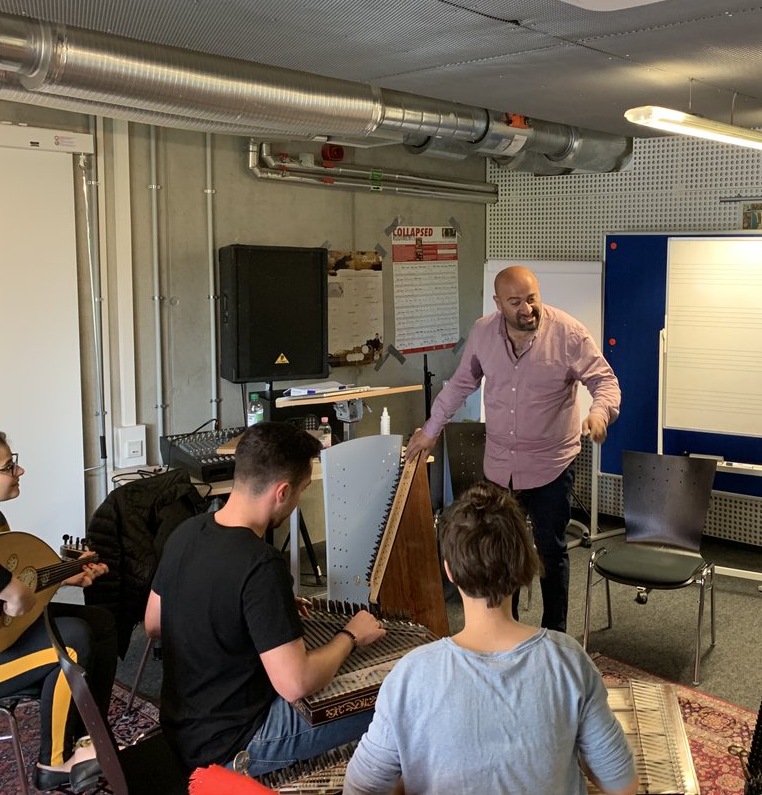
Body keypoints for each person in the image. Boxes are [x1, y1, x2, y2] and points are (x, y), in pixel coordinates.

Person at [342, 482, 637, 795]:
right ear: (526, 564)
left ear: (450, 571)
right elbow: (622, 785)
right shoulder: (569, 660)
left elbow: (360, 789)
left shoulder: (409, 676)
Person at [144, 421, 386, 775]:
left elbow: (153, 624)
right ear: (282, 491)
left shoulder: (186, 532)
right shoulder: (261, 565)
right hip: (236, 746)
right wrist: (350, 637)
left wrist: (259, 618)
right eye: (301, 490)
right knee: (392, 700)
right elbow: (295, 683)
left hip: (181, 731)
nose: (297, 499)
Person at [405, 265, 621, 633]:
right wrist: (430, 430)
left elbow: (605, 382)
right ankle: (506, 631)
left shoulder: (568, 333)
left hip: (551, 463)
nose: (527, 309)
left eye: (532, 298)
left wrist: (599, 414)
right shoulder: (483, 332)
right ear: (498, 302)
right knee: (502, 551)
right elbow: (460, 385)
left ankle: (555, 637)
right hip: (500, 464)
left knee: (551, 552)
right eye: (516, 301)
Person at [0, 416, 114, 793]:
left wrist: (64, 574)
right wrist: (13, 592)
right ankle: (54, 764)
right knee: (73, 641)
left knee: (100, 621)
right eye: (8, 467)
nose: (19, 470)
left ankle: (89, 738)